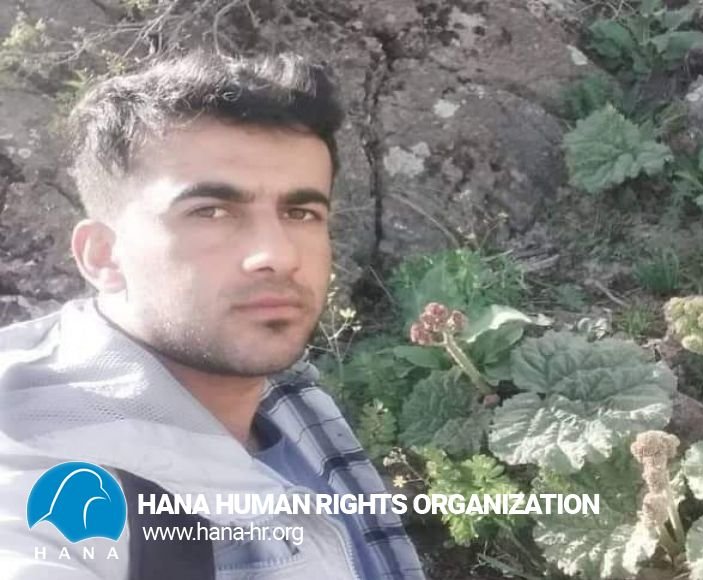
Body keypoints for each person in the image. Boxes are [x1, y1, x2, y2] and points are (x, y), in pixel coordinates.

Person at [0, 51, 426, 579]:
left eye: (300, 212)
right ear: (103, 256)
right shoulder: (39, 468)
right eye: (211, 211)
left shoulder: (284, 394)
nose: (278, 255)